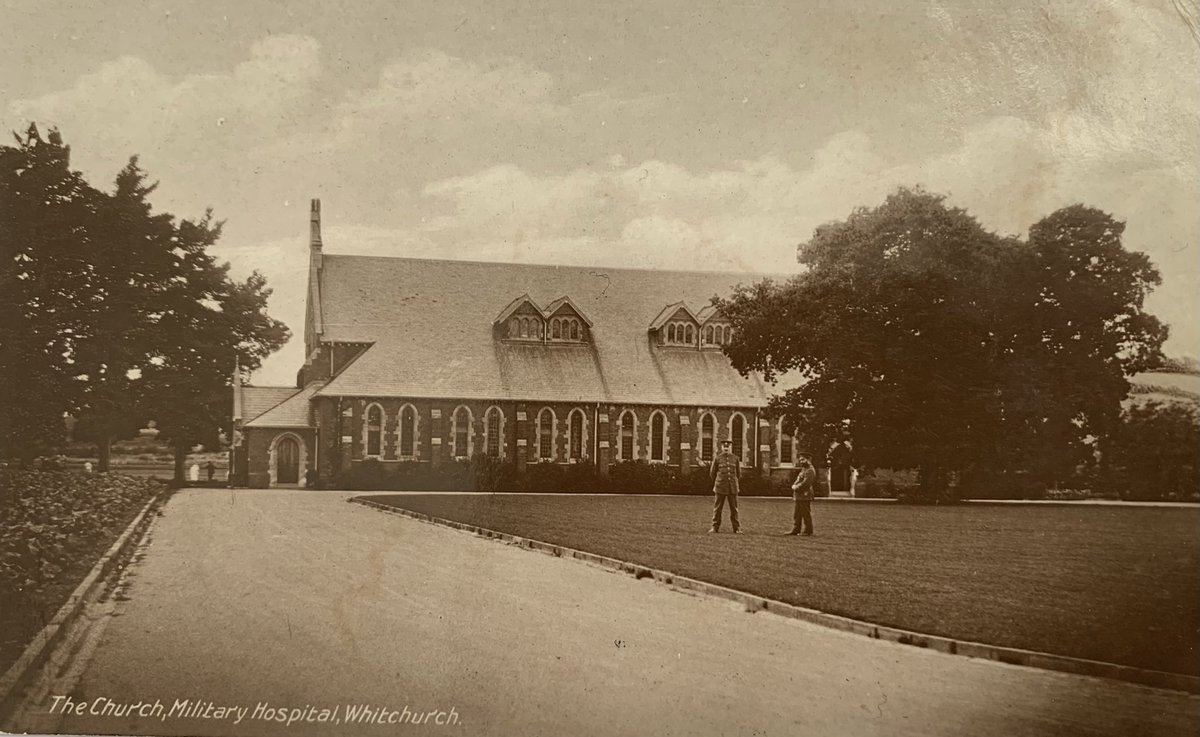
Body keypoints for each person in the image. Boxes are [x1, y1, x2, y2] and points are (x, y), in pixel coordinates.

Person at [709, 439, 742, 533]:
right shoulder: (717, 459)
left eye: (728, 446)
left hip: (732, 488)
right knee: (717, 509)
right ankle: (715, 527)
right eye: (725, 446)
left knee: (734, 509)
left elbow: (738, 474)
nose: (726, 448)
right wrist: (719, 482)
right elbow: (712, 473)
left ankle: (737, 528)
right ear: (722, 447)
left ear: (730, 447)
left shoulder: (735, 459)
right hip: (720, 487)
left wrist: (734, 482)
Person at [789, 453, 817, 536]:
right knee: (797, 513)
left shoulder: (810, 470)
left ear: (808, 460)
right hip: (799, 495)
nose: (801, 461)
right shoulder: (804, 469)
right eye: (800, 459)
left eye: (803, 459)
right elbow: (798, 479)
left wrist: (796, 487)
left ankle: (808, 531)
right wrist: (794, 485)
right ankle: (796, 529)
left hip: (805, 495)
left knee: (805, 513)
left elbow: (806, 483)